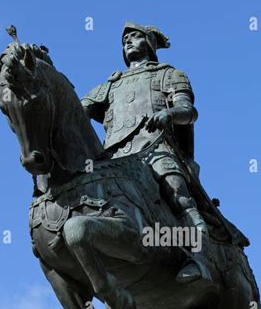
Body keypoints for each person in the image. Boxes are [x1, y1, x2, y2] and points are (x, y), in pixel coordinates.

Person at [81, 21, 211, 285]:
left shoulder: (170, 74)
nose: (127, 41)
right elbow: (75, 111)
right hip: (116, 158)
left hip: (156, 148)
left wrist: (169, 113)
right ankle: (85, 281)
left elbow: (189, 112)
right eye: (124, 39)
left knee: (178, 196)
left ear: (149, 44)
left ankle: (199, 260)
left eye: (134, 36)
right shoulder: (110, 85)